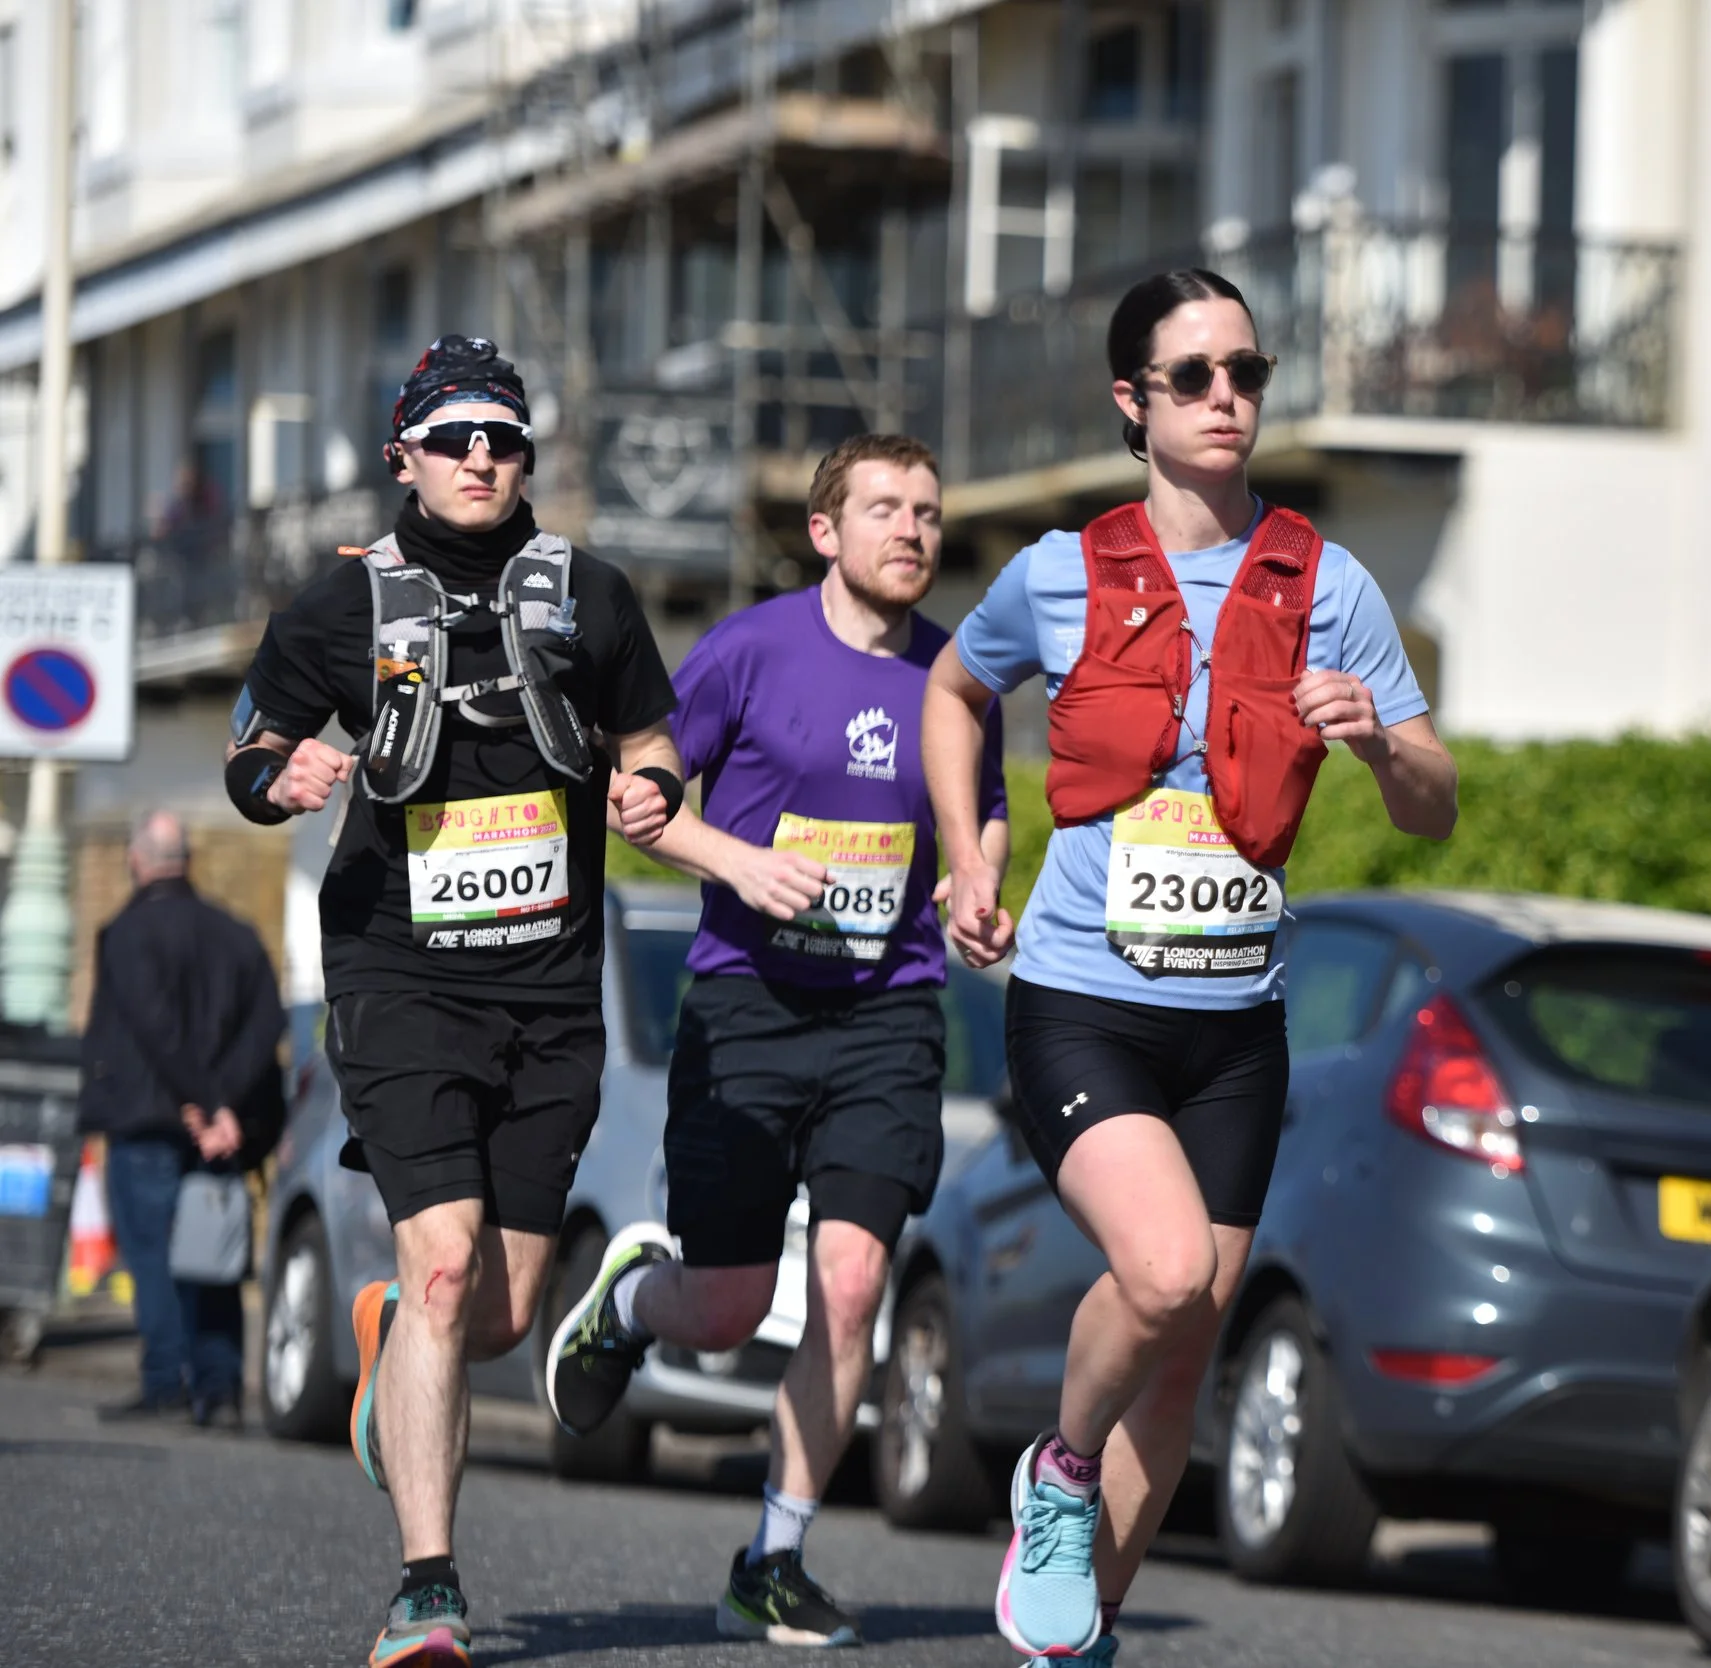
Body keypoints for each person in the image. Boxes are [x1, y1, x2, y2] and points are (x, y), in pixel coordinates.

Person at [922, 269, 1458, 1664]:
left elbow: (1433, 805)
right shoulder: (1058, 572)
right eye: (1195, 376)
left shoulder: (1330, 584)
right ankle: (1059, 1470)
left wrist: (1379, 742)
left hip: (1235, 1028)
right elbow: (955, 692)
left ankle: (1077, 1637)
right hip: (1084, 1007)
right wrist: (970, 855)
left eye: (1248, 373)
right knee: (1160, 1274)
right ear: (1134, 400)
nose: (1229, 398)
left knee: (1181, 1363)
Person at [222, 336, 683, 1668]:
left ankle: (390, 1340)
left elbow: (651, 739)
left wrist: (654, 788)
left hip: (550, 987)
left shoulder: (592, 596)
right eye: (454, 436)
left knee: (502, 1312)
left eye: (504, 438)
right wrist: (280, 780)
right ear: (404, 456)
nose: (481, 457)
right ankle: (428, 1586)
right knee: (440, 1266)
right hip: (400, 974)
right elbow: (253, 746)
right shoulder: (340, 606)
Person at [544, 433, 1009, 1647]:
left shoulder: (957, 677)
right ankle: (630, 1304)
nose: (911, 530)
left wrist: (975, 885)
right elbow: (637, 800)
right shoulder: (748, 650)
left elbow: (985, 815)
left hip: (889, 1010)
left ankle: (774, 1558)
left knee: (851, 1286)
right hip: (746, 1003)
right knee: (730, 1306)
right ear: (824, 531)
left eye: (927, 511)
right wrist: (737, 864)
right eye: (884, 509)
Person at [78, 809, 286, 1429]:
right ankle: (219, 1390)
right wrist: (224, 1105)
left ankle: (166, 1379)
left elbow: (155, 1028)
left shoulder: (127, 932)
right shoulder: (238, 934)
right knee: (213, 1253)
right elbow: (267, 1027)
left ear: (136, 861)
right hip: (220, 1132)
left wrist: (204, 1102)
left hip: (150, 1121)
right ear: (188, 862)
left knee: (153, 1254)